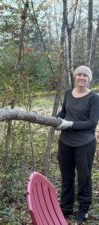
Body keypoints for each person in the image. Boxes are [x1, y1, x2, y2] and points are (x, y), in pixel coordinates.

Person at [56, 65, 99, 222]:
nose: (81, 77)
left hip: (85, 143)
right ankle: (66, 208)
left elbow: (92, 122)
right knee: (67, 176)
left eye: (85, 76)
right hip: (65, 142)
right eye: (79, 75)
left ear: (89, 79)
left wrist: (71, 125)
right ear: (75, 77)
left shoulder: (94, 98)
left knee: (84, 177)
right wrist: (56, 118)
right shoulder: (68, 94)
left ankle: (83, 209)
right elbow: (64, 112)